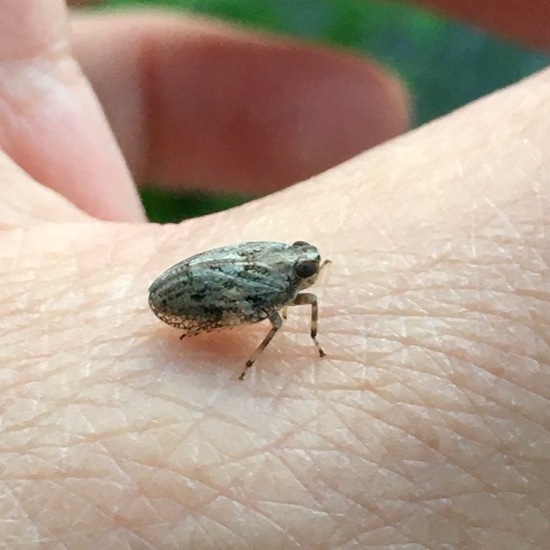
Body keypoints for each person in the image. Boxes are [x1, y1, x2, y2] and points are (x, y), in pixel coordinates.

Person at [1, 1, 548, 547]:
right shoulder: (286, 289)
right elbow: (251, 307)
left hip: (212, 276)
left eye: (309, 267)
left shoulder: (286, 269)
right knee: (275, 321)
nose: (314, 277)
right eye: (310, 269)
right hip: (205, 290)